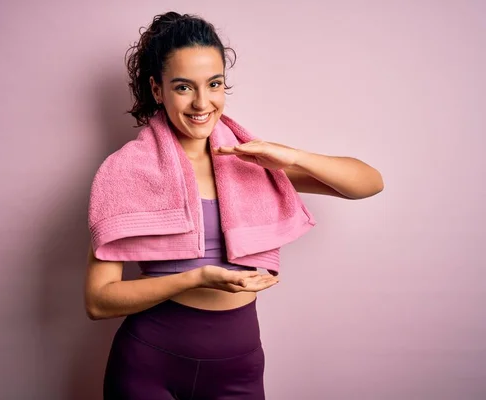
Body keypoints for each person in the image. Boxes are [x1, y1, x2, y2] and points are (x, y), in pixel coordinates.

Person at [84, 11, 384, 400]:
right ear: (157, 90)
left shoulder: (252, 164)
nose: (201, 103)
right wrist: (196, 278)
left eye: (214, 84)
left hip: (238, 369)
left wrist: (290, 157)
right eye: (183, 88)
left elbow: (367, 184)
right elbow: (98, 300)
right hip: (148, 364)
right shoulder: (127, 172)